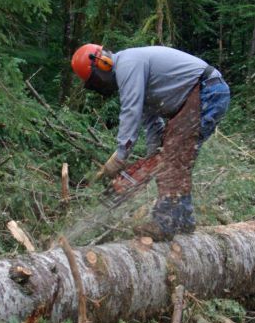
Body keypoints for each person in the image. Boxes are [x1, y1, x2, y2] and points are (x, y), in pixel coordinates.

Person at [71, 44, 230, 241]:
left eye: (95, 80)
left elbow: (131, 111)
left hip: (207, 91)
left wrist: (121, 156)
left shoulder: (127, 65)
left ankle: (165, 222)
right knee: (171, 158)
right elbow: (152, 123)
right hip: (199, 96)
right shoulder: (134, 74)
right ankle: (184, 219)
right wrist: (154, 157)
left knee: (174, 159)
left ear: (103, 64)